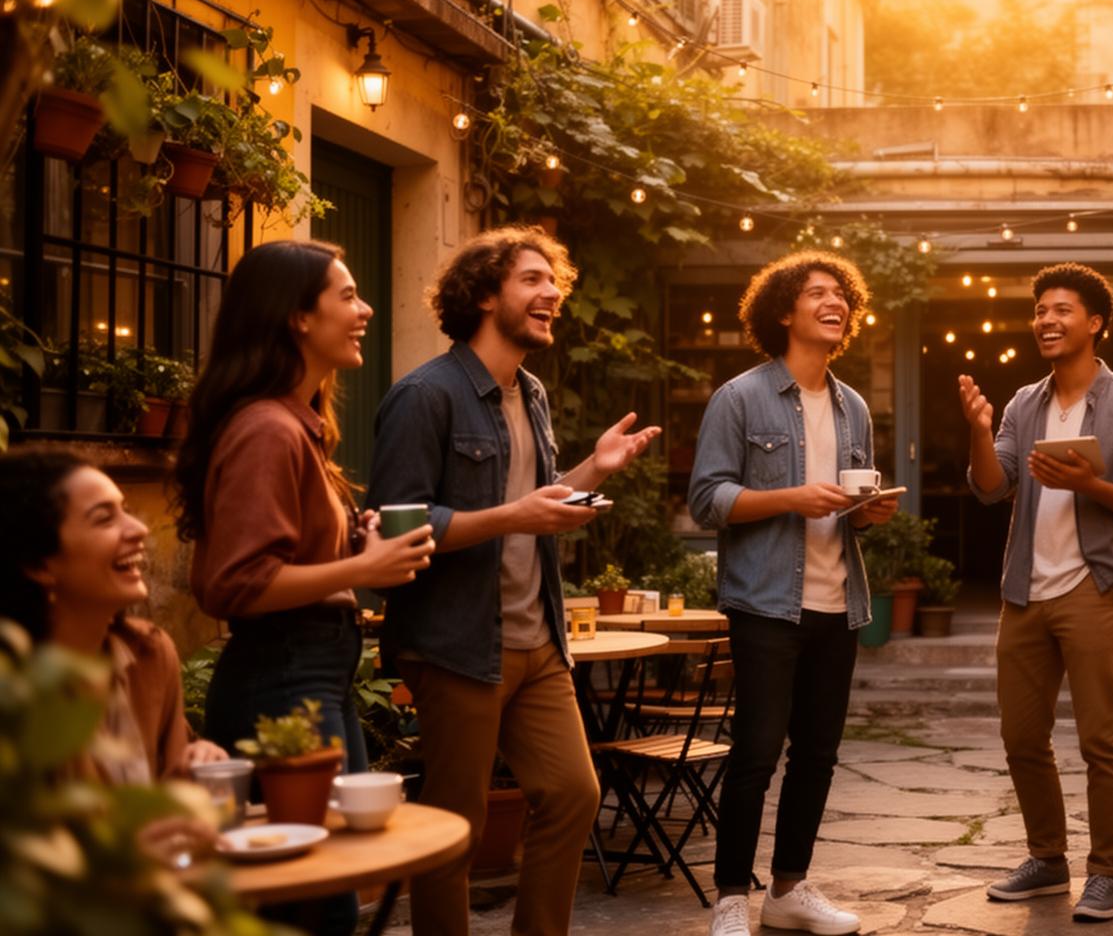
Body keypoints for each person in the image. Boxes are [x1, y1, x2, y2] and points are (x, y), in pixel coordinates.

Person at [366, 226, 658, 936]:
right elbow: (400, 526)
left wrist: (593, 470)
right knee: (452, 826)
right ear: (483, 294)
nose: (551, 293)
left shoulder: (531, 394)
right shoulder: (425, 396)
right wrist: (511, 517)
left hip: (538, 640)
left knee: (570, 795)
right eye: (531, 280)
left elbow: (534, 499)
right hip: (458, 642)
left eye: (551, 281)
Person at [171, 239, 432, 935]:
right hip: (284, 677)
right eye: (346, 296)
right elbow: (235, 584)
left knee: (329, 889)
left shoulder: (297, 424)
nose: (364, 308)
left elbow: (281, 556)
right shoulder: (267, 429)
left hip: (312, 673)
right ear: (296, 318)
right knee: (315, 903)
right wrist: (362, 569)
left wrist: (353, 538)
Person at [689, 251, 898, 936]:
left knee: (817, 752)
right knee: (755, 752)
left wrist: (864, 513)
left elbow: (847, 498)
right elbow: (706, 500)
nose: (834, 302)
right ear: (784, 310)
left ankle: (788, 889)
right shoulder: (740, 398)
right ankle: (729, 899)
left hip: (839, 603)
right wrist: (789, 497)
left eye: (842, 294)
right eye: (818, 292)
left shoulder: (853, 406)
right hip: (767, 604)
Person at [960, 262, 1113, 924]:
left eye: (1061, 310)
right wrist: (978, 425)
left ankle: (1106, 871)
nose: (1046, 321)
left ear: (1095, 322)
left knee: (1100, 740)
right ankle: (1047, 858)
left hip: (1093, 586)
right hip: (1024, 589)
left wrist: (1090, 487)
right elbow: (991, 487)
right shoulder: (1025, 403)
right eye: (1040, 311)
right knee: (1022, 736)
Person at [0, 448, 229, 784]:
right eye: (104, 518)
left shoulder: (147, 653)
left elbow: (177, 787)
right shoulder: (14, 691)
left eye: (126, 511)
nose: (138, 529)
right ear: (38, 564)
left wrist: (203, 759)